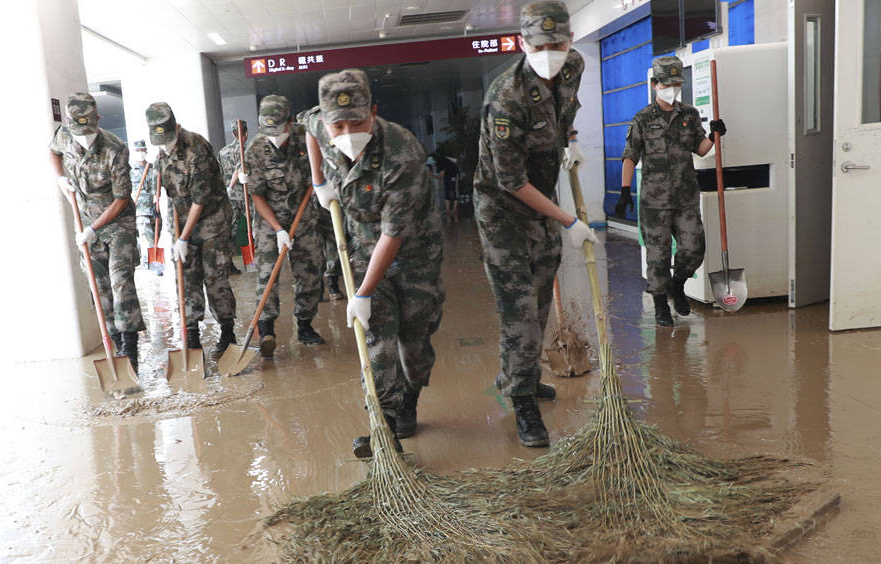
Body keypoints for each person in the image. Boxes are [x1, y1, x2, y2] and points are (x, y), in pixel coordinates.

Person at [473, 0, 597, 448]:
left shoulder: (573, 66)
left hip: (544, 199)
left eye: (558, 43)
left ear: (569, 41)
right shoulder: (504, 99)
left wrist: (571, 140)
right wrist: (569, 221)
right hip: (503, 209)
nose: (550, 51)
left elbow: (565, 112)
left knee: (541, 294)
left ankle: (518, 375)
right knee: (519, 308)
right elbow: (510, 181)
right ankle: (522, 401)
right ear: (521, 43)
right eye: (539, 44)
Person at [306, 70, 444, 457]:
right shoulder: (322, 124)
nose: (347, 131)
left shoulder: (403, 152)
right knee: (377, 340)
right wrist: (318, 180)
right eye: (338, 125)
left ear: (374, 113)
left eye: (358, 122)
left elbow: (394, 234)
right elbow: (308, 126)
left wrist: (362, 292)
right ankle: (383, 427)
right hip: (363, 250)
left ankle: (410, 398)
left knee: (413, 345)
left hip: (415, 254)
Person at [613, 55, 727, 327]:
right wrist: (625, 190)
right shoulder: (642, 119)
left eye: (677, 83)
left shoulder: (689, 114)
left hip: (686, 197)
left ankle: (678, 285)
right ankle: (660, 303)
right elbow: (630, 154)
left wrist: (713, 136)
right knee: (658, 256)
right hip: (654, 201)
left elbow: (699, 149)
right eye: (668, 83)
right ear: (654, 84)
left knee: (694, 248)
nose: (673, 88)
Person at [49, 93, 146, 373]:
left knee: (120, 280)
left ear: (98, 120)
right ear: (69, 123)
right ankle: (115, 344)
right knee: (99, 287)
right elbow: (52, 152)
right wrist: (60, 178)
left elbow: (121, 199)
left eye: (89, 132)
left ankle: (130, 350)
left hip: (117, 223)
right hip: (85, 222)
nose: (84, 139)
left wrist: (94, 228)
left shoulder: (115, 148)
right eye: (78, 132)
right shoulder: (64, 135)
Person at [145, 102, 238, 354]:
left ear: (175, 127)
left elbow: (200, 198)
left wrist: (184, 237)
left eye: (169, 139)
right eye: (160, 141)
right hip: (181, 220)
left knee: (214, 276)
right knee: (185, 276)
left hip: (212, 220)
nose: (166, 146)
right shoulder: (160, 156)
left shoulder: (197, 147)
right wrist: (173, 236)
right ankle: (192, 335)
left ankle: (228, 332)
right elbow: (168, 196)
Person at [243, 94, 327, 357]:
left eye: (279, 130)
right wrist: (278, 229)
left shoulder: (307, 138)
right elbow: (256, 195)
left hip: (304, 218)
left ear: (291, 122)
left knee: (311, 271)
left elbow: (320, 168)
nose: (274, 137)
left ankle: (305, 325)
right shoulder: (255, 149)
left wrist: (320, 181)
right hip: (270, 222)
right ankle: (266, 329)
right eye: (268, 132)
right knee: (267, 274)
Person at [296, 106, 344, 301]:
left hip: (327, 201)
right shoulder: (294, 150)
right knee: (311, 248)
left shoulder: (325, 144)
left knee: (334, 242)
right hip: (306, 206)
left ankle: (333, 283)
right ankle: (316, 290)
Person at [217, 120, 248, 275]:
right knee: (255, 228)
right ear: (246, 133)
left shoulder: (223, 152)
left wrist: (226, 190)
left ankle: (228, 264)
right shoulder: (246, 149)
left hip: (230, 198)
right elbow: (239, 170)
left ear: (233, 133)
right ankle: (255, 261)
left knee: (231, 231)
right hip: (246, 196)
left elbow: (219, 173)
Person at [129, 140, 162, 276]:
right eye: (138, 151)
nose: (141, 153)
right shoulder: (130, 171)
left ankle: (144, 260)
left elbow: (158, 186)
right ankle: (156, 266)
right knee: (148, 237)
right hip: (140, 210)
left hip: (154, 207)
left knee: (156, 235)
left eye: (143, 150)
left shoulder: (153, 168)